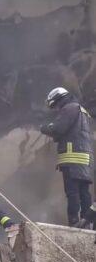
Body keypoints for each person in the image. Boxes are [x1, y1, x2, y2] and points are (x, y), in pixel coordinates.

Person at [40, 87, 94, 226]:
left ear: (59, 100)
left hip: (72, 158)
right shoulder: (83, 111)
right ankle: (87, 222)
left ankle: (74, 222)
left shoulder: (69, 108)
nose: (57, 109)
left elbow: (59, 128)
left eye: (55, 106)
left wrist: (44, 128)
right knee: (84, 192)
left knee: (72, 192)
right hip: (86, 159)